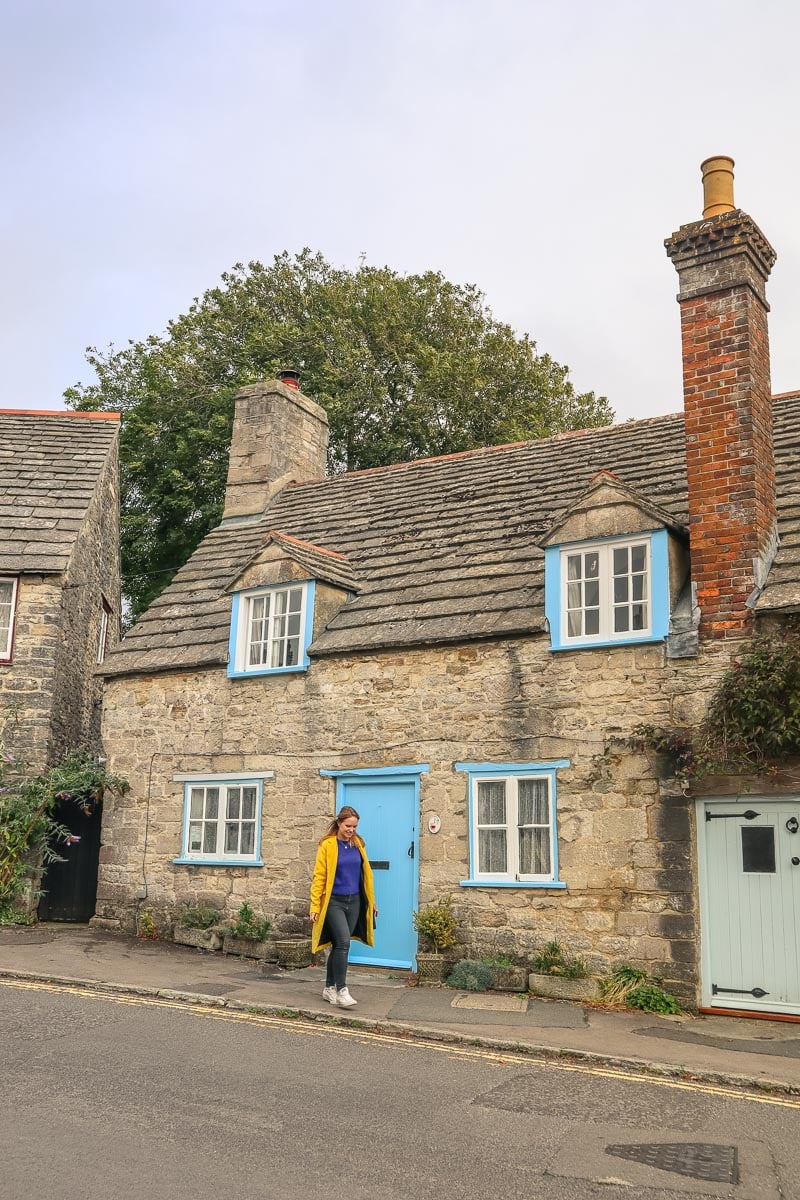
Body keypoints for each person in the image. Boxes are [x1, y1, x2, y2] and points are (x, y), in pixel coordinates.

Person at [309, 805, 378, 1008]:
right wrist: (314, 906)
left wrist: (371, 901)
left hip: (354, 900)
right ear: (339, 823)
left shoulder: (358, 844)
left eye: (354, 826)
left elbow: (366, 876)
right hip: (333, 902)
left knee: (338, 945)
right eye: (348, 825)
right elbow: (319, 877)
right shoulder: (328, 845)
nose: (351, 830)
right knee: (343, 943)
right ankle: (342, 990)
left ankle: (328, 988)